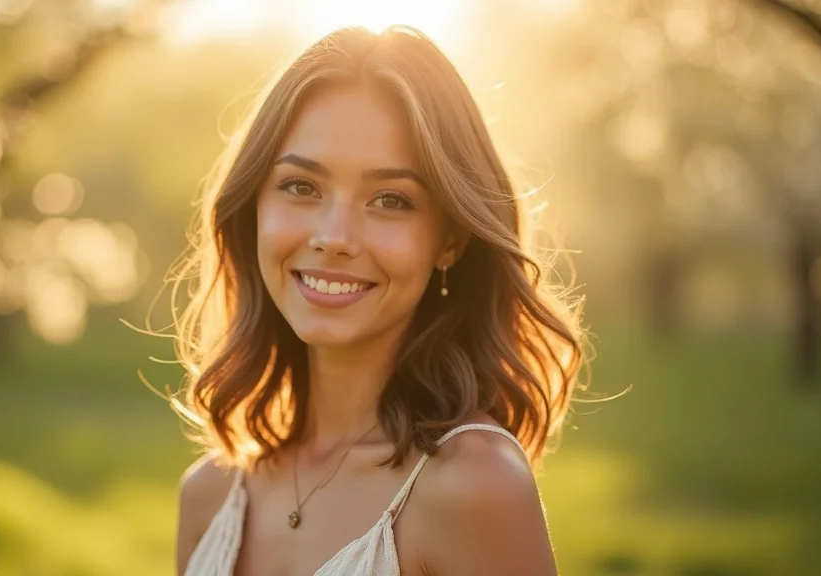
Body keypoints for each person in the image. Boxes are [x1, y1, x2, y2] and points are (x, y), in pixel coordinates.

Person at [168, 24, 587, 576]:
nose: (335, 236)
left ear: (451, 240)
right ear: (253, 208)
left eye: (390, 199)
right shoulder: (210, 493)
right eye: (301, 186)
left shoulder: (475, 486)